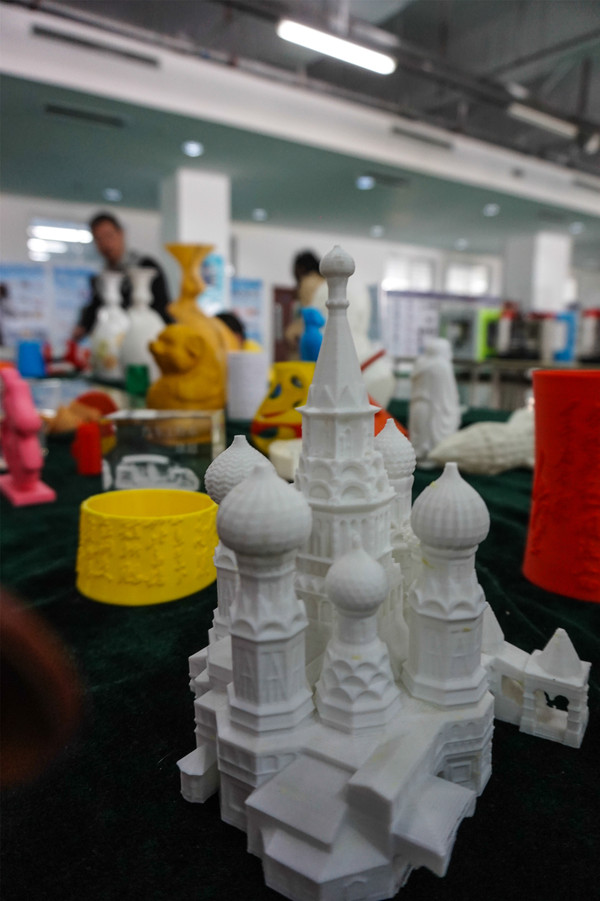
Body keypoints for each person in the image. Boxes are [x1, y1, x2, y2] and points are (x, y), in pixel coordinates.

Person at [72, 212, 171, 339]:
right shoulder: (101, 279)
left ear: (121, 233)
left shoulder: (147, 266)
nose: (106, 244)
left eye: (109, 235)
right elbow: (95, 309)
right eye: (99, 239)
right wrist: (83, 326)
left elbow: (164, 308)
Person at [284, 250, 325, 355]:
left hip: (313, 338)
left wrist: (290, 333)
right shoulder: (324, 281)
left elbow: (308, 316)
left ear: (301, 268)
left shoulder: (307, 283)